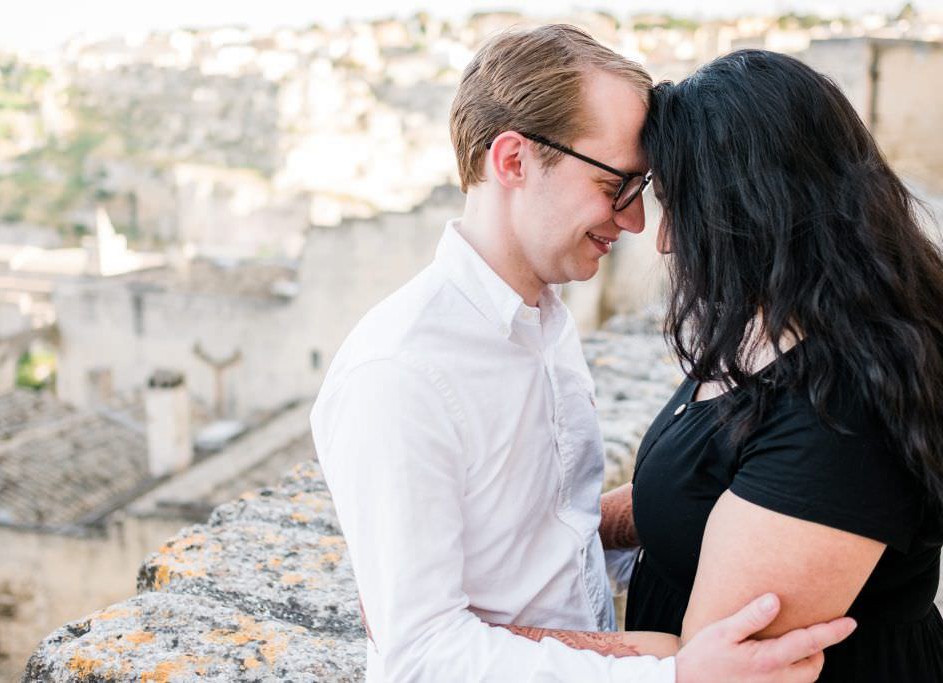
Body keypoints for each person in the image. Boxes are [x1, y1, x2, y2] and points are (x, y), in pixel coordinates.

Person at [311, 27, 856, 682]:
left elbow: (550, 541)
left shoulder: (545, 324)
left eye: (641, 189)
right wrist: (672, 674)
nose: (633, 224)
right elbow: (420, 654)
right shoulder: (400, 372)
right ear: (513, 161)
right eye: (614, 185)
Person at [605, 49, 943, 682]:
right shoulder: (775, 324)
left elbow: (723, 666)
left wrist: (463, 634)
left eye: (681, 207)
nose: (666, 240)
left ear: (753, 209)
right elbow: (699, 488)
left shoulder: (842, 406)